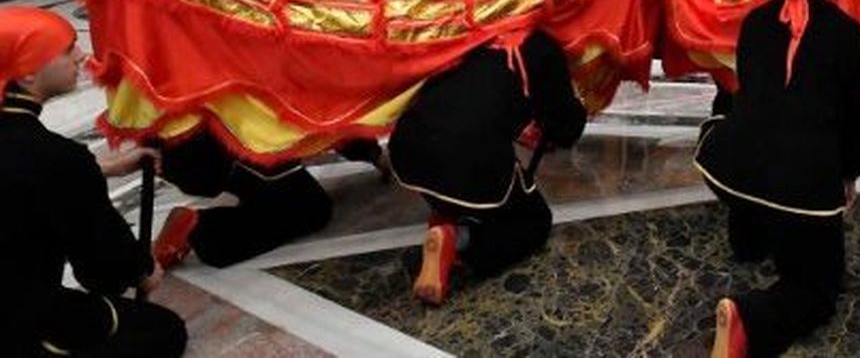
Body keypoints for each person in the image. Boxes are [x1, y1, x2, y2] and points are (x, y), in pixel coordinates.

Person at [698, 0, 860, 358]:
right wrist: (849, 174)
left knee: (758, 147)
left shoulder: (755, 21)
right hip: (801, 187)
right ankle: (750, 320)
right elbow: (858, 125)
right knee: (820, 288)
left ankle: (749, 238)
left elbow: (749, 97)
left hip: (735, 170)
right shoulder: (847, 33)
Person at [0, 6, 188, 358]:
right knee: (162, 331)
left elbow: (20, 174)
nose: (82, 54)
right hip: (18, 319)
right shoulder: (56, 158)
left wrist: (96, 167)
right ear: (26, 73)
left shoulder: (35, 149)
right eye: (68, 48)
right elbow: (104, 272)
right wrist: (142, 269)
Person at [388, 30, 587, 305]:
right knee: (534, 223)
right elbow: (564, 129)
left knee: (466, 173)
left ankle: (447, 212)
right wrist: (578, 101)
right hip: (467, 157)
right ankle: (456, 239)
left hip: (408, 147)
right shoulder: (541, 44)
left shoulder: (474, 25)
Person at [151, 132, 340, 270]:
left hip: (207, 135)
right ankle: (199, 228)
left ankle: (203, 225)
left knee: (303, 203)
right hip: (214, 141)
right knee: (311, 209)